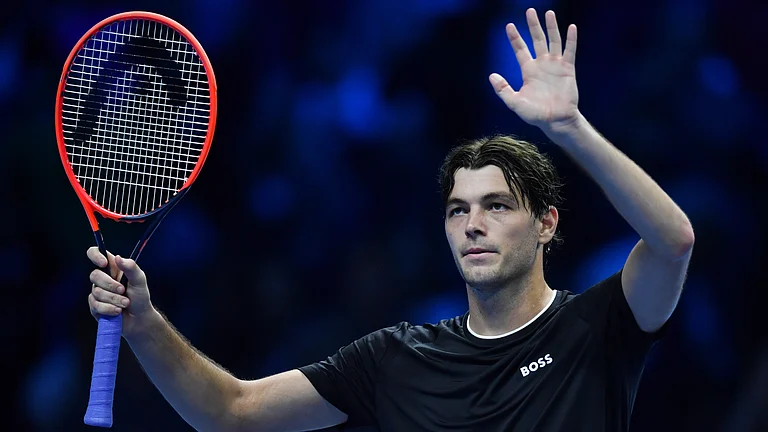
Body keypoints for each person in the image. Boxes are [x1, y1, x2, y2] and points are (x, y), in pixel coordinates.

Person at [87, 8, 693, 432]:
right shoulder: (396, 359)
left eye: (497, 205)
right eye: (457, 210)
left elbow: (673, 241)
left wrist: (570, 129)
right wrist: (144, 321)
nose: (472, 225)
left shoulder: (596, 328)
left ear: (546, 224)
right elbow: (232, 413)